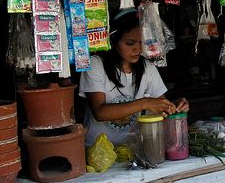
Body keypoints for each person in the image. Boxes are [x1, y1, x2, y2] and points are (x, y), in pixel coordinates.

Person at [79, 8, 189, 146]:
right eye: (130, 43)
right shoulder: (95, 65)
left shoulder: (147, 67)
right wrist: (144, 102)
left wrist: (174, 106)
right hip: (96, 152)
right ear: (113, 41)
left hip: (130, 150)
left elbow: (160, 104)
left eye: (141, 42)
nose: (138, 48)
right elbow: (100, 112)